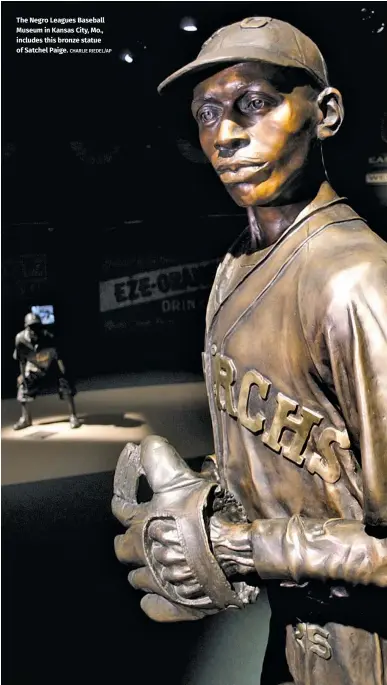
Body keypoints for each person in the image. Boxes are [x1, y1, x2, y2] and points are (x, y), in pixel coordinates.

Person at [112, 17, 387, 685]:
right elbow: (305, 468)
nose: (226, 133)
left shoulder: (356, 281)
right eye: (207, 112)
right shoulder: (237, 263)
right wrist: (206, 504)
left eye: (254, 104)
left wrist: (234, 545)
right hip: (296, 635)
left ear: (324, 113)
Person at [13, 312, 81, 430]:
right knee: (23, 386)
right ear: (26, 327)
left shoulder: (48, 336)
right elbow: (22, 360)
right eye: (31, 327)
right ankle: (25, 418)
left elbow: (59, 356)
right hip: (34, 367)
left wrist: (63, 371)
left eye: (37, 326)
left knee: (66, 383)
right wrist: (23, 376)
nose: (34, 330)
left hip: (51, 366)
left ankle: (73, 416)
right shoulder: (20, 339)